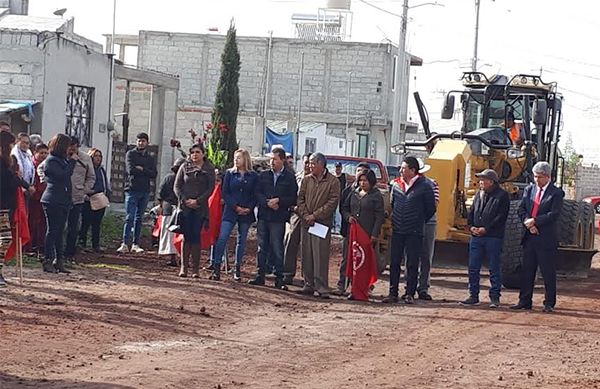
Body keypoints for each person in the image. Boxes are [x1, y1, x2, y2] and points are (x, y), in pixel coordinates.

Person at [511, 161, 564, 313]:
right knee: (527, 270)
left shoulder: (556, 193)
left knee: (547, 272)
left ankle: (549, 303)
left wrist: (535, 221)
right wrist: (528, 223)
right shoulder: (529, 190)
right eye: (535, 176)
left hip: (546, 238)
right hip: (529, 236)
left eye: (540, 177)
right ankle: (524, 300)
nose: (537, 180)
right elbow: (521, 209)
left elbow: (553, 214)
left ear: (548, 177)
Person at [384, 156, 435, 304]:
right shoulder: (396, 185)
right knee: (394, 262)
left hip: (414, 231)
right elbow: (393, 204)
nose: (400, 170)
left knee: (412, 262)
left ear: (413, 170)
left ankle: (409, 293)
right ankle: (392, 292)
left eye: (403, 168)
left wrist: (417, 220)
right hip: (398, 229)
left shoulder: (424, 186)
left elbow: (430, 208)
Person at [249, 146, 298, 289]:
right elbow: (257, 192)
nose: (272, 162)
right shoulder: (264, 175)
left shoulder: (289, 177)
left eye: (275, 159)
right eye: (271, 159)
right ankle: (260, 275)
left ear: (282, 160)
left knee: (277, 247)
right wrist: (266, 202)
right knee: (261, 246)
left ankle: (279, 278)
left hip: (278, 217)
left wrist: (279, 201)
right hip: (264, 215)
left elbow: (292, 197)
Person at [461, 169, 509, 308]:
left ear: (491, 182)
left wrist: (486, 229)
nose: (480, 182)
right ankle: (473, 295)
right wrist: (471, 227)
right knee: (473, 267)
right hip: (476, 237)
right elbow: (472, 212)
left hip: (493, 237)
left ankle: (495, 297)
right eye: (480, 180)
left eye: (483, 180)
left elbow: (501, 217)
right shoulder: (478, 194)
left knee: (494, 267)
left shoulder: (502, 196)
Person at [297, 152, 340, 298]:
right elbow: (300, 199)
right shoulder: (306, 180)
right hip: (306, 223)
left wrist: (315, 215)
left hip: (321, 224)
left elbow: (332, 202)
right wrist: (305, 215)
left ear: (321, 164)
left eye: (313, 163)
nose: (310, 165)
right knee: (307, 254)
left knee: (320, 255)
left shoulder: (333, 181)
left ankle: (321, 286)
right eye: (309, 163)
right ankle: (308, 284)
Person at [211, 149, 257, 281]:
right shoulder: (230, 174)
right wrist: (235, 206)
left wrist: (248, 207)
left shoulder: (253, 176)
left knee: (241, 240)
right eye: (235, 158)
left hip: (246, 212)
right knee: (223, 236)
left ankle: (237, 268)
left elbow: (255, 193)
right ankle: (216, 266)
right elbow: (225, 192)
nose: (236, 160)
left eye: (239, 158)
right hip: (231, 210)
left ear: (245, 159)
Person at [341, 169, 384, 299]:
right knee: (353, 261)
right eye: (360, 180)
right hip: (354, 234)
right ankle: (353, 289)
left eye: (365, 180)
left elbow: (379, 216)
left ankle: (365, 288)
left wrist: (374, 234)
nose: (362, 183)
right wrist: (348, 217)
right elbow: (344, 208)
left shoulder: (376, 196)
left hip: (367, 234)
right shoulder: (353, 193)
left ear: (371, 182)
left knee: (365, 262)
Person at [174, 143, 215, 278]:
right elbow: (177, 186)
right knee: (186, 236)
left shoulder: (209, 169)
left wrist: (197, 201)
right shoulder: (185, 167)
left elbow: (210, 189)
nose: (195, 155)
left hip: (200, 208)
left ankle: (195, 269)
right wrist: (185, 200)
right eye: (192, 152)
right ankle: (184, 267)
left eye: (198, 152)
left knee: (196, 236)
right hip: (185, 208)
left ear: (203, 154)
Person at [334, 161, 370, 295]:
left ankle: (361, 287)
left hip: (365, 232)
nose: (360, 174)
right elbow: (343, 207)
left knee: (362, 259)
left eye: (363, 172)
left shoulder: (373, 192)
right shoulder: (348, 190)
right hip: (349, 231)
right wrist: (348, 217)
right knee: (346, 259)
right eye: (358, 171)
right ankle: (341, 285)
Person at [117, 132, 157, 254]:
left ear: (147, 143)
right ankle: (125, 242)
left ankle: (136, 243)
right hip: (132, 189)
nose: (141, 143)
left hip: (144, 190)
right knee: (129, 217)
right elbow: (130, 170)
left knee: (139, 218)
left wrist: (142, 169)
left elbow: (153, 174)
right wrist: (144, 171)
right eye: (139, 141)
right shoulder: (131, 154)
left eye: (143, 141)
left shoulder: (150, 158)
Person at [41, 134, 76, 274]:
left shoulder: (62, 160)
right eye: (68, 146)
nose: (70, 149)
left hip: (63, 200)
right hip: (52, 199)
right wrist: (72, 162)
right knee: (52, 230)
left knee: (61, 231)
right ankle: (47, 259)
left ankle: (59, 260)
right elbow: (62, 176)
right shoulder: (51, 161)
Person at [63, 137, 95, 262]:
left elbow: (91, 177)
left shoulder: (85, 158)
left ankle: (70, 253)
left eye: (75, 146)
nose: (72, 149)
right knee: (61, 227)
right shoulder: (60, 156)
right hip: (62, 196)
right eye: (70, 146)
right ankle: (59, 252)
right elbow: (43, 168)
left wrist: (84, 189)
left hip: (77, 197)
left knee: (74, 226)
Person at [282, 153, 311, 285]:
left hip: (311, 216)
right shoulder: (296, 177)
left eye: (310, 163)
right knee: (290, 243)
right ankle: (287, 274)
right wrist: (293, 207)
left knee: (308, 248)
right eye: (306, 163)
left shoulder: (316, 180)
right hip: (295, 214)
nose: (308, 166)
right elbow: (290, 194)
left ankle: (308, 277)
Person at [78, 148, 111, 254]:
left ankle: (95, 245)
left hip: (100, 198)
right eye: (95, 156)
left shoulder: (101, 170)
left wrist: (107, 193)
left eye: (99, 156)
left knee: (97, 224)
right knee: (85, 223)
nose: (98, 158)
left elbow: (105, 182)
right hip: (88, 199)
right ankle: (81, 244)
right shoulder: (86, 168)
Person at [416, 160, 439, 300]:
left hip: (427, 222)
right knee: (411, 257)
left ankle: (423, 287)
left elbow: (434, 204)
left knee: (425, 257)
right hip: (416, 223)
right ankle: (411, 285)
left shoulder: (432, 183)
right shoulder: (404, 184)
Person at [156, 158, 185, 267]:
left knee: (170, 234)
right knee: (177, 235)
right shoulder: (181, 179)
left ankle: (174, 257)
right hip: (176, 209)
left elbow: (160, 194)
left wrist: (161, 205)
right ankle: (180, 257)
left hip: (169, 209)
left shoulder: (169, 178)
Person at [0, 131, 20, 287]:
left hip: (4, 206)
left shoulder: (6, 162)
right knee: (5, 239)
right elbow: (6, 183)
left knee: (5, 239)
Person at [27, 143, 49, 254]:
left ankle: (40, 245)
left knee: (42, 224)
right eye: (41, 153)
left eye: (46, 153)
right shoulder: (32, 165)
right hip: (34, 197)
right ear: (35, 153)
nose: (44, 155)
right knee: (32, 222)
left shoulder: (47, 165)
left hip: (44, 197)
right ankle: (30, 245)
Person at [11, 133, 35, 203]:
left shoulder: (28, 153)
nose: (25, 145)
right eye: (23, 142)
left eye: (27, 143)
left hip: (27, 187)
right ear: (17, 141)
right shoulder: (14, 154)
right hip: (19, 187)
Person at [333, 162, 347, 234]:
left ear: (341, 168)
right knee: (332, 212)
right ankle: (332, 227)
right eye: (336, 167)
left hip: (341, 198)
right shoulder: (332, 177)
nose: (337, 169)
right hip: (333, 197)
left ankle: (338, 228)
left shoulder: (344, 176)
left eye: (339, 167)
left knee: (338, 213)